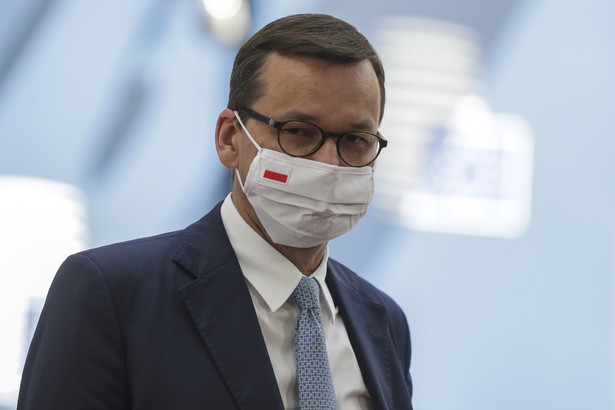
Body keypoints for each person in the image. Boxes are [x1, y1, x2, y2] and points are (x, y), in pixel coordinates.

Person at [17, 13, 413, 410]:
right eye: (298, 131)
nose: (330, 163)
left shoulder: (383, 321)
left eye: (356, 140)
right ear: (229, 139)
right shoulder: (111, 293)